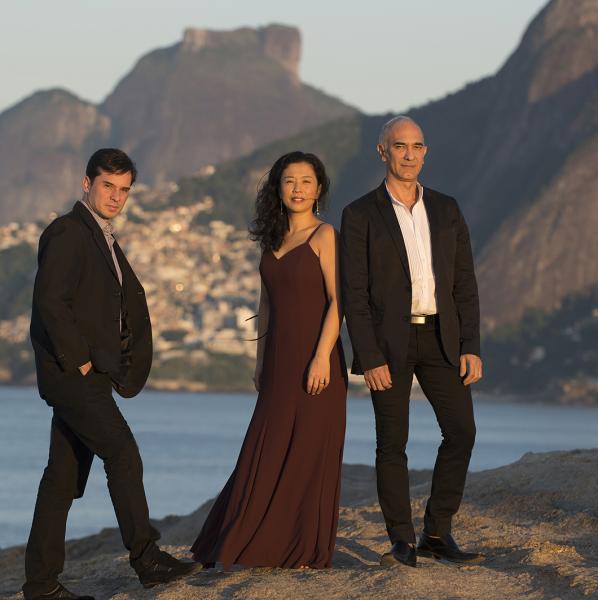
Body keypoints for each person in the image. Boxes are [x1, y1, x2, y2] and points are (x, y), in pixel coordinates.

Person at [24, 148, 201, 600]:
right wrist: (79, 360)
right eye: (108, 186)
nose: (116, 197)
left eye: (124, 190)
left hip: (90, 374)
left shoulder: (104, 238)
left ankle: (41, 585)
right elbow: (50, 302)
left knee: (60, 480)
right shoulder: (67, 231)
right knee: (123, 454)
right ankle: (146, 559)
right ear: (87, 184)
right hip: (75, 376)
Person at [191, 151, 347, 569]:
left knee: (308, 453)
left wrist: (321, 358)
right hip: (278, 359)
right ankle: (246, 540)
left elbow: (338, 303)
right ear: (278, 188)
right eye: (290, 181)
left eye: (306, 181)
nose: (297, 189)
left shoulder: (324, 235)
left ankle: (299, 549)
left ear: (319, 190)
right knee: (265, 447)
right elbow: (267, 302)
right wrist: (260, 359)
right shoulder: (273, 239)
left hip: (317, 358)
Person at [341, 116, 484, 568]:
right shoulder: (360, 213)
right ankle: (402, 541)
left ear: (425, 152)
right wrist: (369, 356)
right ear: (382, 152)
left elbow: (464, 282)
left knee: (462, 432)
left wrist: (471, 344)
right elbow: (355, 294)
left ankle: (437, 532)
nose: (409, 154)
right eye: (399, 146)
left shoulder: (447, 209)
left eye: (417, 146)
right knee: (392, 443)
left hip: (442, 336)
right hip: (389, 342)